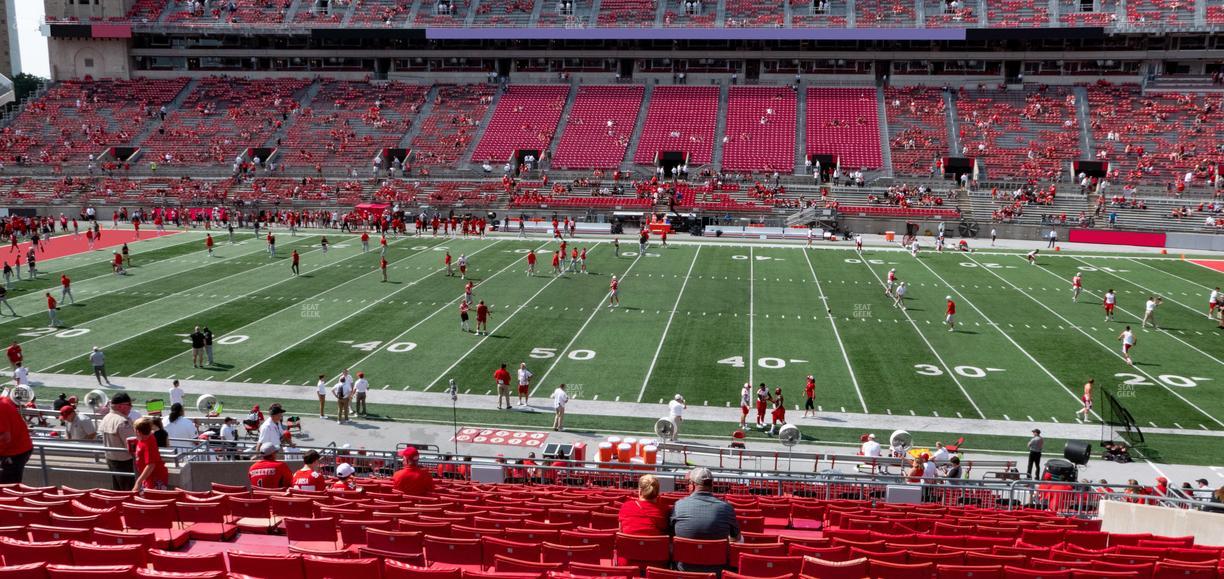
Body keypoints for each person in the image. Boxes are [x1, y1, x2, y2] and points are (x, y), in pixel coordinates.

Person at [670, 467, 740, 564]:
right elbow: (736, 537)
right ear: (711, 485)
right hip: (717, 571)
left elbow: (670, 533)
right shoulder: (727, 508)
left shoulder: (679, 505)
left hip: (683, 571)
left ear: (693, 485)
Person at [99, 393, 137, 490]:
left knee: (118, 489)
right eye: (129, 404)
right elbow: (133, 446)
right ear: (120, 406)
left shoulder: (106, 417)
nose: (131, 407)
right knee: (128, 491)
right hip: (125, 462)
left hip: (111, 460)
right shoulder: (122, 422)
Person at [0, 388, 33, 483]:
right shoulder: (4, 402)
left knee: (7, 487)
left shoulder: (1, 406)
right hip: (19, 447)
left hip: (15, 451)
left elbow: (5, 438)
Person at [132, 416, 170, 492]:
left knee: (152, 499)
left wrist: (138, 482)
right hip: (148, 477)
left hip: (154, 478)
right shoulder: (145, 438)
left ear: (137, 431)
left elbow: (151, 465)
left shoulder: (148, 443)